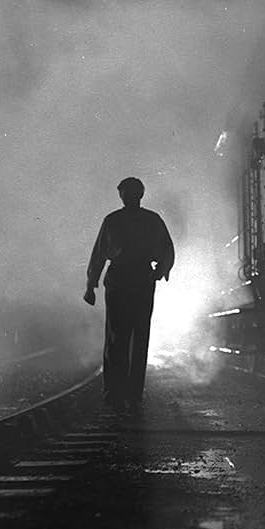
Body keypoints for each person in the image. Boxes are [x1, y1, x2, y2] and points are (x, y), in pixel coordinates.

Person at [84, 177, 174, 416]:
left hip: (119, 281)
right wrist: (159, 271)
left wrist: (91, 284)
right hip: (141, 281)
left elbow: (99, 254)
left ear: (122, 195)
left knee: (116, 338)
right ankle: (133, 396)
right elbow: (167, 248)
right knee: (139, 337)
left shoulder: (112, 220)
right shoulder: (152, 220)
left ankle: (115, 395)